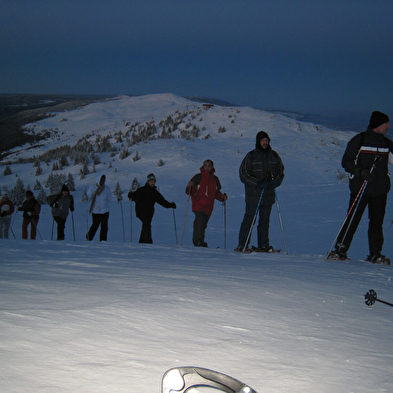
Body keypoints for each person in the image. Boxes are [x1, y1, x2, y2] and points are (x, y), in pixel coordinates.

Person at [328, 111, 393, 263]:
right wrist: (360, 172)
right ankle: (340, 251)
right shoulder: (360, 140)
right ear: (378, 125)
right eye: (386, 124)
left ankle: (375, 254)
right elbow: (346, 162)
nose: (388, 126)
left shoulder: (386, 143)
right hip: (361, 188)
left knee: (377, 224)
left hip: (380, 190)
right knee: (352, 220)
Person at [235, 131, 284, 252]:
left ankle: (263, 245)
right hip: (254, 195)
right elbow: (243, 174)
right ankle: (243, 244)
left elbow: (280, 171)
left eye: (266, 140)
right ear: (258, 142)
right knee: (249, 220)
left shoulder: (274, 156)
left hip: (268, 195)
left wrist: (276, 182)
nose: (265, 143)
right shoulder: (251, 156)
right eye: (262, 140)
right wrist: (257, 183)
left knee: (264, 222)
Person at [186, 160, 228, 247]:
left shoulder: (215, 179)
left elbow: (216, 192)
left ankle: (200, 241)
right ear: (203, 166)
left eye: (209, 166)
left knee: (203, 224)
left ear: (212, 167)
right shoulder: (198, 177)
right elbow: (190, 192)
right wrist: (189, 186)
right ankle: (197, 242)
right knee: (199, 221)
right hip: (198, 204)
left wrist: (222, 197)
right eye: (205, 165)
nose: (207, 167)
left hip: (209, 206)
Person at [128, 173, 176, 244]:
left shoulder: (154, 192)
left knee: (146, 225)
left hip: (149, 212)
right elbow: (133, 196)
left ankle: (142, 242)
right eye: (151, 181)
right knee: (146, 224)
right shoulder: (141, 190)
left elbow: (163, 202)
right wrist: (130, 195)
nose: (153, 183)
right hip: (141, 211)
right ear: (148, 181)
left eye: (154, 181)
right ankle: (148, 242)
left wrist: (171, 205)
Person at [86, 174, 112, 241]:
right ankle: (89, 237)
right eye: (101, 179)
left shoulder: (107, 188)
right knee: (95, 225)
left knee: (104, 227)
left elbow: (110, 198)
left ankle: (103, 240)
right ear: (98, 180)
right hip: (96, 211)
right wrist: (85, 198)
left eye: (103, 179)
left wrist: (117, 199)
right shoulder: (93, 188)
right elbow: (88, 197)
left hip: (105, 211)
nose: (102, 181)